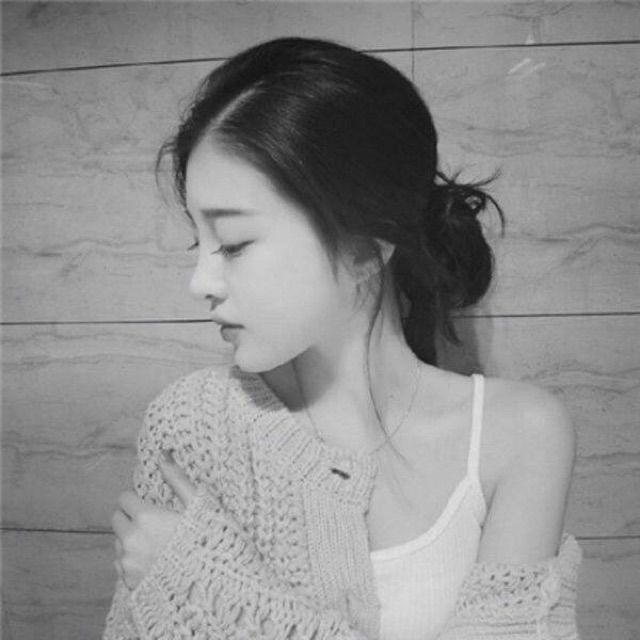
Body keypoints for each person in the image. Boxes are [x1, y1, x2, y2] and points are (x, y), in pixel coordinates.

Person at [103, 37, 582, 640]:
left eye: (234, 244)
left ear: (364, 246)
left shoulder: (520, 435)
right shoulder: (192, 427)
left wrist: (213, 592)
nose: (199, 282)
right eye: (199, 242)